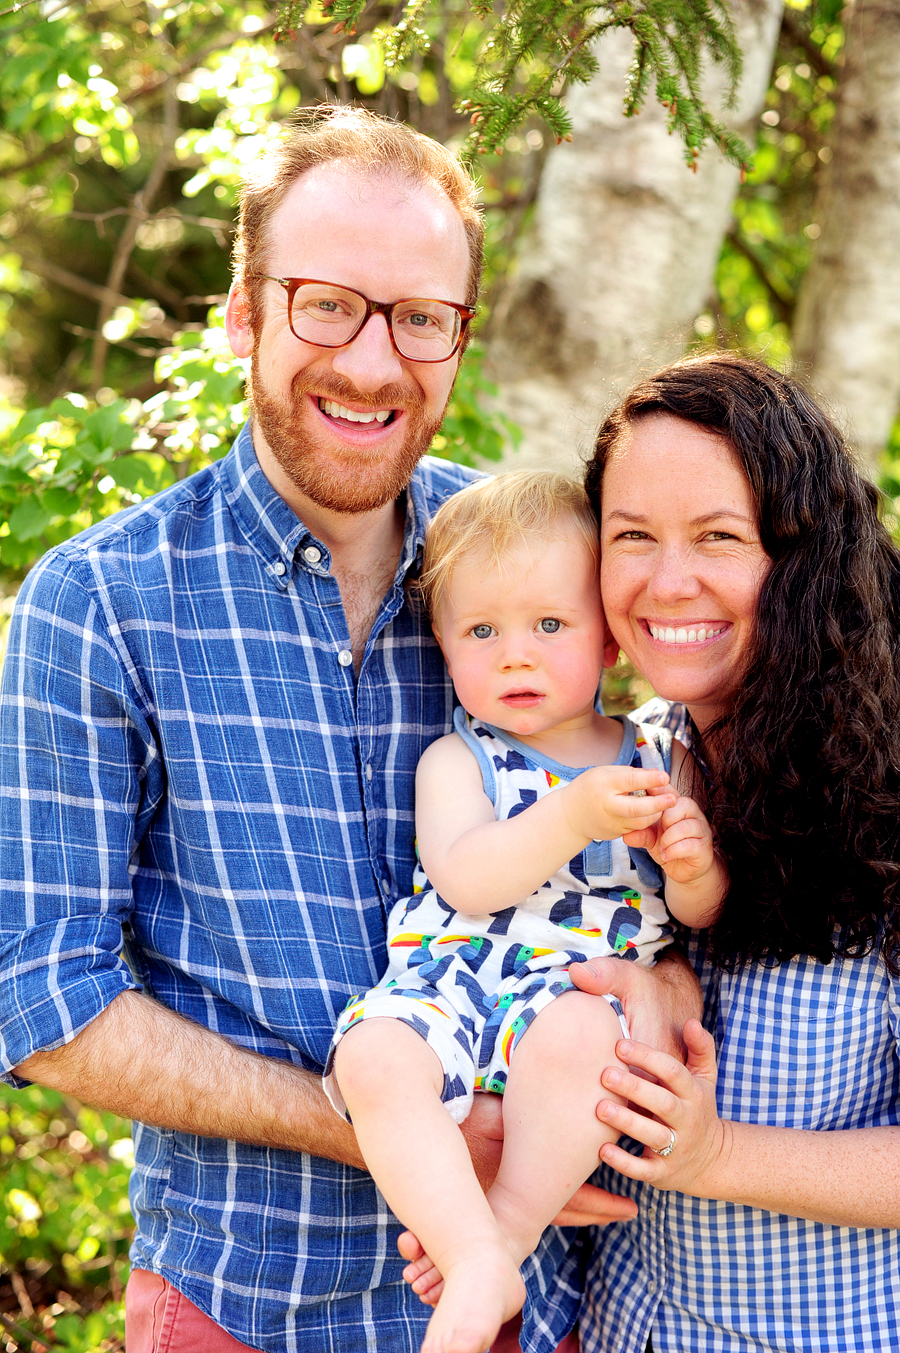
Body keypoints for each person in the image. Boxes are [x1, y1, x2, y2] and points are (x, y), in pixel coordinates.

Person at [0, 108, 700, 1353]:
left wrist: (657, 979)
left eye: (419, 317)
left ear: (457, 338)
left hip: (544, 1315)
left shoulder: (531, 566)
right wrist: (378, 1112)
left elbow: (665, 793)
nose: (374, 364)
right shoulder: (100, 601)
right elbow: (45, 1002)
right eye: (326, 304)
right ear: (242, 315)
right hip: (246, 1306)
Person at [325, 470, 725, 1353]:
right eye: (482, 630)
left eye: (550, 625)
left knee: (597, 1045)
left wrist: (692, 863)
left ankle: (506, 1230)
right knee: (372, 1056)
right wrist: (572, 814)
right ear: (442, 640)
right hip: (457, 985)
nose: (516, 654)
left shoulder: (660, 757)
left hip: (571, 1004)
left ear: (610, 641)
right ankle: (469, 1252)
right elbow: (470, 879)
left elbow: (698, 912)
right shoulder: (456, 760)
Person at [566, 351, 900, 1352]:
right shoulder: (613, 771)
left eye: (719, 535)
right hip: (621, 1326)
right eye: (633, 537)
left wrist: (714, 1153)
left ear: (802, 556)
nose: (670, 582)